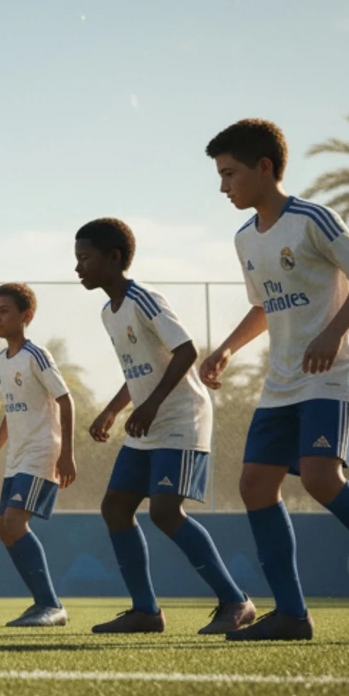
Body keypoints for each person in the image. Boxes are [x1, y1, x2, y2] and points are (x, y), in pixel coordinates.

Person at [199, 118, 349, 642]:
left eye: (230, 174)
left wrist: (332, 334)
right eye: (220, 176)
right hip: (281, 382)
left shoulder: (313, 219)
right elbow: (263, 307)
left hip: (330, 375)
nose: (224, 186)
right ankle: (291, 614)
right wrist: (226, 349)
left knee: (319, 478)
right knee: (255, 485)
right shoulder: (245, 238)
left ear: (265, 168)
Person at [74, 217, 255, 635]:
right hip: (148, 423)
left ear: (113, 258)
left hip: (182, 419)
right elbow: (138, 370)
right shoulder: (109, 312)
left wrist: (152, 405)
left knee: (165, 510)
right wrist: (113, 409)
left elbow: (187, 350)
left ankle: (236, 601)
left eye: (85, 258)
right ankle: (146, 611)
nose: (78, 267)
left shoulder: (143, 299)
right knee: (115, 507)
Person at [0, 283, 76, 628]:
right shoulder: (2, 360)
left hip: (41, 451)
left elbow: (65, 399)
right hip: (16, 456)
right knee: (4, 528)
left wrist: (66, 455)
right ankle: (41, 603)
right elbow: (11, 411)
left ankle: (51, 605)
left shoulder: (36, 355)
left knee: (15, 522)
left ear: (26, 316)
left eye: (3, 310)